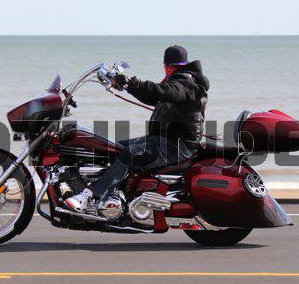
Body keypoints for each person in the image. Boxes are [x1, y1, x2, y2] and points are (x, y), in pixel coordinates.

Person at [65, 45, 210, 212]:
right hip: (164, 139)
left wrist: (132, 82)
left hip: (178, 146)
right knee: (113, 147)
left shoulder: (185, 83)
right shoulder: (182, 80)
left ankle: (92, 196)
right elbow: (154, 96)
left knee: (131, 154)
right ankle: (113, 194)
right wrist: (128, 86)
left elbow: (167, 92)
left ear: (167, 66)